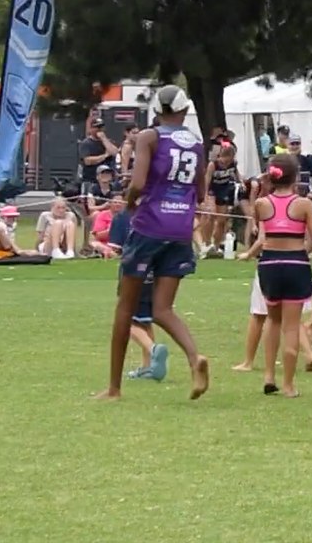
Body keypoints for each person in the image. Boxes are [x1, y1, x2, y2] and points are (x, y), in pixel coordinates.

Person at [95, 86, 211, 402]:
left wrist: (131, 202)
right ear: (185, 110)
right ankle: (193, 357)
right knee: (163, 308)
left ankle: (114, 388)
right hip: (180, 230)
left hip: (149, 227)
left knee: (125, 306)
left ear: (158, 110)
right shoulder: (197, 143)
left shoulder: (149, 137)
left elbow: (138, 182)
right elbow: (200, 193)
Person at [251, 154, 312, 398]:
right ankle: (288, 384)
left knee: (272, 320)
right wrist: (307, 250)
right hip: (295, 263)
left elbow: (259, 232)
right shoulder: (304, 204)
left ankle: (269, 375)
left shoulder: (262, 204)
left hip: (269, 263)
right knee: (291, 326)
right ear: (295, 176)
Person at [203, 143, 241, 256]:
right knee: (210, 215)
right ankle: (206, 243)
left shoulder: (233, 164)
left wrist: (241, 182)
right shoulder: (213, 165)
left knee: (221, 220)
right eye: (226, 157)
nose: (227, 161)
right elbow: (207, 180)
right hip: (212, 191)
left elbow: (237, 174)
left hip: (223, 190)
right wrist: (205, 196)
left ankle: (217, 245)